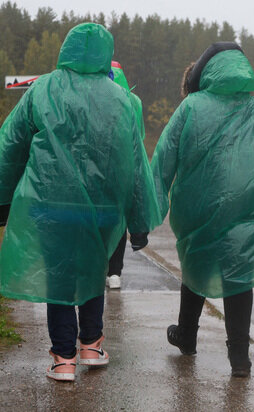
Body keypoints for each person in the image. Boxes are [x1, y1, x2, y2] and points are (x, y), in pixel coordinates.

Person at [0, 23, 161, 382]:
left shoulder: (43, 89)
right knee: (94, 268)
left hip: (50, 203)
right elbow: (135, 165)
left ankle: (63, 358)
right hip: (103, 211)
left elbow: (11, 146)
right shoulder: (121, 99)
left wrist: (1, 199)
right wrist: (139, 222)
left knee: (58, 277)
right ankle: (91, 343)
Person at [151, 42, 254, 377]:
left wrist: (150, 207)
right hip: (247, 215)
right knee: (239, 279)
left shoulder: (190, 107)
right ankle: (240, 359)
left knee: (195, 269)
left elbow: (164, 159)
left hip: (197, 211)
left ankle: (186, 336)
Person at [106, 61, 148, 289]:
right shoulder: (133, 101)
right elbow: (138, 136)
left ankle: (100, 267)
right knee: (119, 221)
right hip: (123, 170)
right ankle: (115, 272)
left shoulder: (96, 94)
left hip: (97, 170)